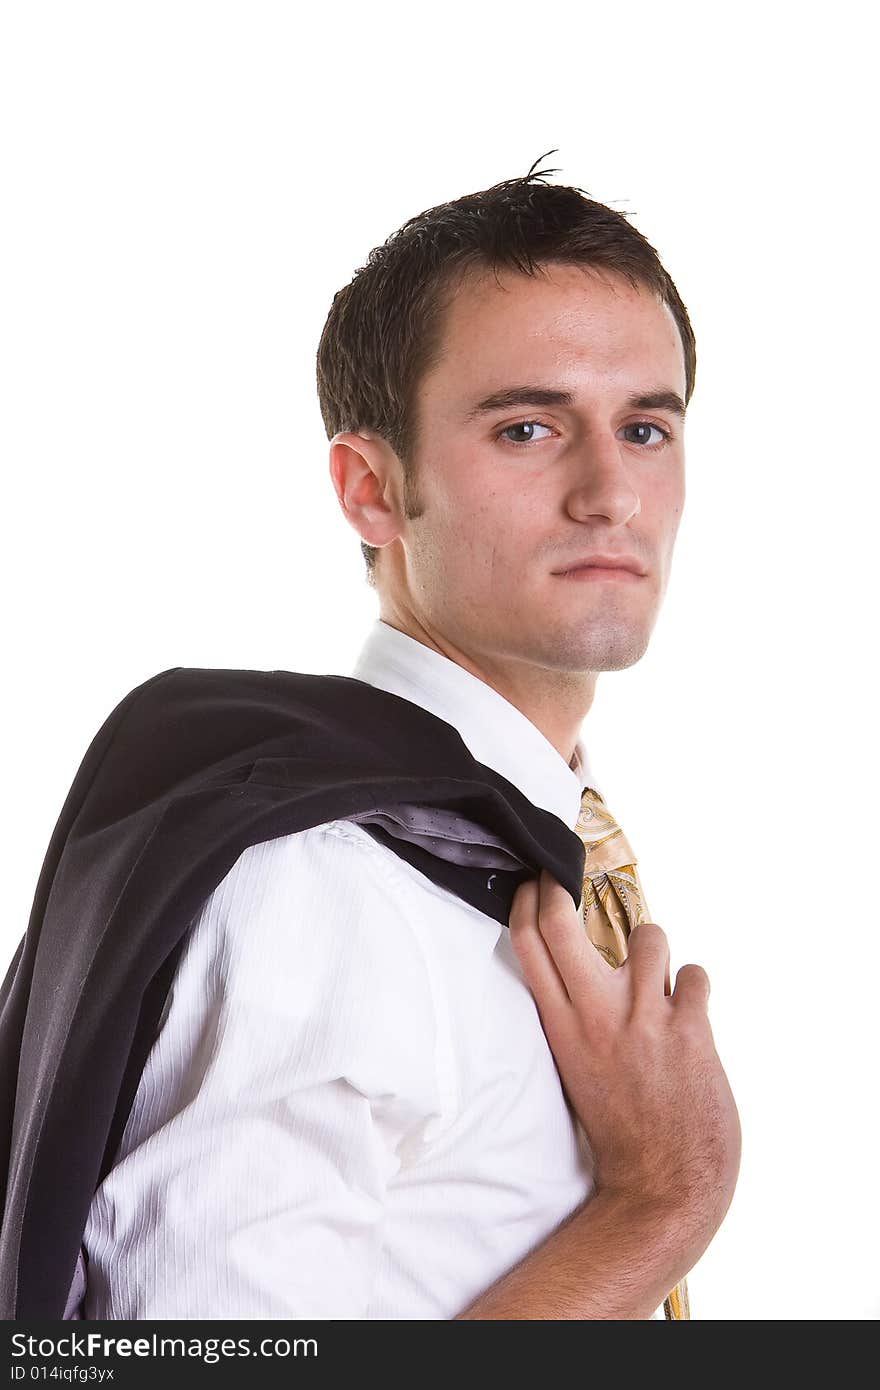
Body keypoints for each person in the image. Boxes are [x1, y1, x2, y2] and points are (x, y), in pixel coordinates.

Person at [80, 155, 741, 1319]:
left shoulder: (531, 844)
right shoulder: (321, 886)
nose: (609, 493)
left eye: (645, 429)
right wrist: (661, 1204)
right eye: (529, 428)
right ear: (371, 490)